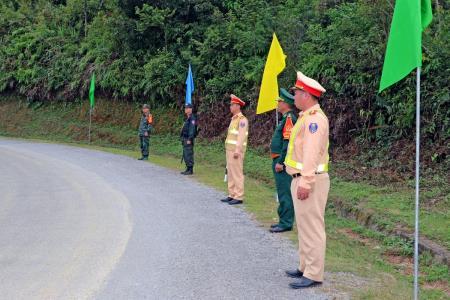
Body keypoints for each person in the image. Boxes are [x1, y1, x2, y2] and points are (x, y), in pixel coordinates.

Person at [284, 72, 330, 289]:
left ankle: (314, 273)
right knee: (304, 226)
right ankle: (305, 266)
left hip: (310, 181)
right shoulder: (306, 117)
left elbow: (311, 154)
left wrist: (305, 182)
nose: (293, 97)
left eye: (296, 93)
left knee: (312, 227)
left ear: (307, 95)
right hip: (301, 178)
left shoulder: (314, 121)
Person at [269, 88, 297, 233]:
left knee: (285, 192)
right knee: (282, 192)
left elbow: (288, 142)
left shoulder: (289, 118)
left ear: (285, 103)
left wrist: (281, 161)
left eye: (279, 101)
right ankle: (283, 220)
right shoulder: (286, 118)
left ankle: (286, 222)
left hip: (283, 163)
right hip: (279, 160)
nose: (277, 104)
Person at [220, 94, 248, 205]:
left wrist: (237, 150)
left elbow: (241, 136)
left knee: (237, 173)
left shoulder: (242, 120)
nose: (230, 107)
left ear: (237, 106)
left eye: (232, 105)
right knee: (230, 173)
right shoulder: (234, 119)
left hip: (236, 151)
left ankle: (239, 196)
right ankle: (232, 194)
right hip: (229, 150)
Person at [180, 103, 197, 175]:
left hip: (188, 139)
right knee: (186, 154)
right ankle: (187, 168)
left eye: (187, 108)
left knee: (188, 153)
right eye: (185, 108)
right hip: (185, 139)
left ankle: (190, 169)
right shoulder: (188, 118)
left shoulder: (192, 118)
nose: (186, 109)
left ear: (191, 109)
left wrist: (190, 139)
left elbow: (192, 130)